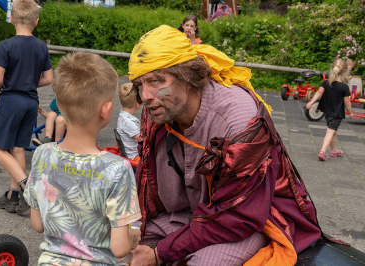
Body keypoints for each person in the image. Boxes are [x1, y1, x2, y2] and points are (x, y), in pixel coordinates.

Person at [127, 25, 333, 266]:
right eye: (139, 84)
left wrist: (160, 252)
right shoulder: (158, 108)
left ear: (186, 75)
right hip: (187, 216)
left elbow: (239, 217)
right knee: (121, 251)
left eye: (155, 81)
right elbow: (147, 185)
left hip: (249, 221)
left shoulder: (239, 121)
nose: (144, 96)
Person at [23, 52, 142, 265]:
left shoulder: (43, 154)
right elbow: (120, 248)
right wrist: (133, 237)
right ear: (105, 111)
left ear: (58, 102)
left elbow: (38, 224)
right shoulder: (117, 169)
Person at [0, 0, 53, 215]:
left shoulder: (6, 45)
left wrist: (13, 82)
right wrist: (27, 81)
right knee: (18, 148)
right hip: (30, 102)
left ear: (12, 19)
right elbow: (49, 78)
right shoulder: (41, 46)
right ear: (36, 22)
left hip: (11, 101)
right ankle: (12, 196)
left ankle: (26, 186)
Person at [306, 59, 353, 162]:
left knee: (333, 131)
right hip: (336, 114)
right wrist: (351, 112)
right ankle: (322, 151)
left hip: (326, 112)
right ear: (344, 72)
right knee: (330, 131)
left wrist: (311, 102)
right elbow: (347, 103)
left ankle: (334, 150)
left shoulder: (325, 83)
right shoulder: (344, 87)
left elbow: (318, 93)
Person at [117, 83, 141, 160]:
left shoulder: (125, 117)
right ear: (137, 105)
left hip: (134, 154)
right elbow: (142, 140)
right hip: (135, 157)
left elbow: (140, 124)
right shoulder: (127, 122)